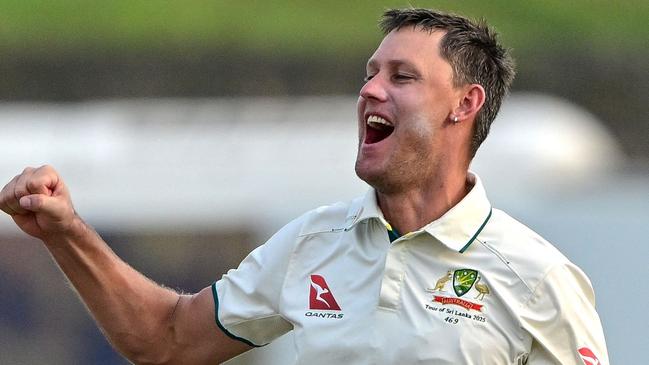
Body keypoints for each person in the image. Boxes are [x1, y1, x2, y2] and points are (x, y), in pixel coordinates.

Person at [0, 8, 608, 365]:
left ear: (464, 104)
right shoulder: (313, 243)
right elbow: (165, 340)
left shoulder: (537, 279)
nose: (370, 90)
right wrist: (67, 232)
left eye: (402, 76)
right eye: (369, 74)